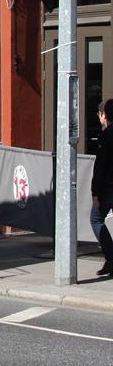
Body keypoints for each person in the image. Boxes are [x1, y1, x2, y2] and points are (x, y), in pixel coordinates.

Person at [92, 99, 113, 276]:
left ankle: (111, 259)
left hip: (108, 188)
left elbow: (100, 167)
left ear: (104, 115)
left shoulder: (106, 136)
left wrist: (95, 193)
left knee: (96, 219)